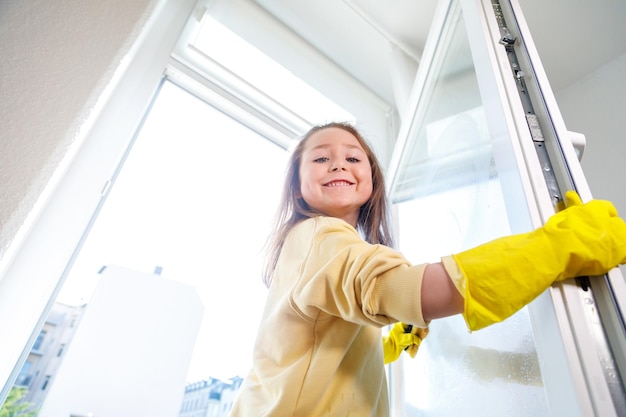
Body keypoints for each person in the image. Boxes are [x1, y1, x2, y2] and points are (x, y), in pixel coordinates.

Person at [229, 121, 626, 417]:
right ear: (297, 187)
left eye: (353, 157)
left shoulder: (316, 246)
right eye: (321, 157)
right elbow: (407, 289)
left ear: (371, 180)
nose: (338, 164)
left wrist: (384, 344)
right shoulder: (318, 236)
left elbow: (313, 350)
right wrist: (561, 245)